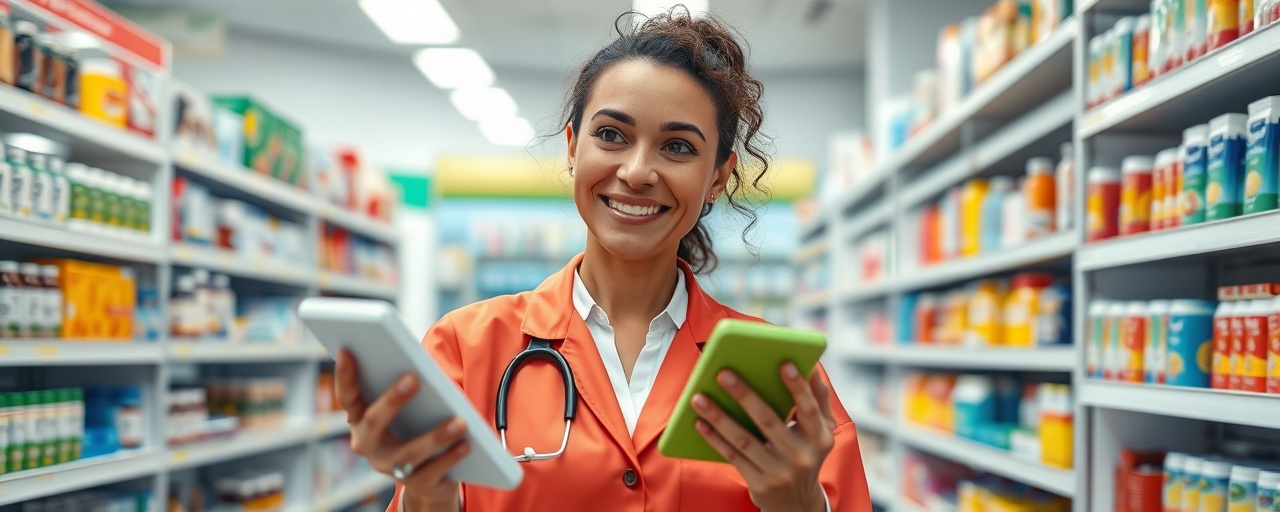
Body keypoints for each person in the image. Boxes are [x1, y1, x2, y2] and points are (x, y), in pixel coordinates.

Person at [335, 8, 872, 512]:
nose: (637, 171)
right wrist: (426, 498)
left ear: (718, 176)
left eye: (678, 147)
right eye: (611, 135)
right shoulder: (466, 349)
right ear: (572, 148)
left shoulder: (779, 383)